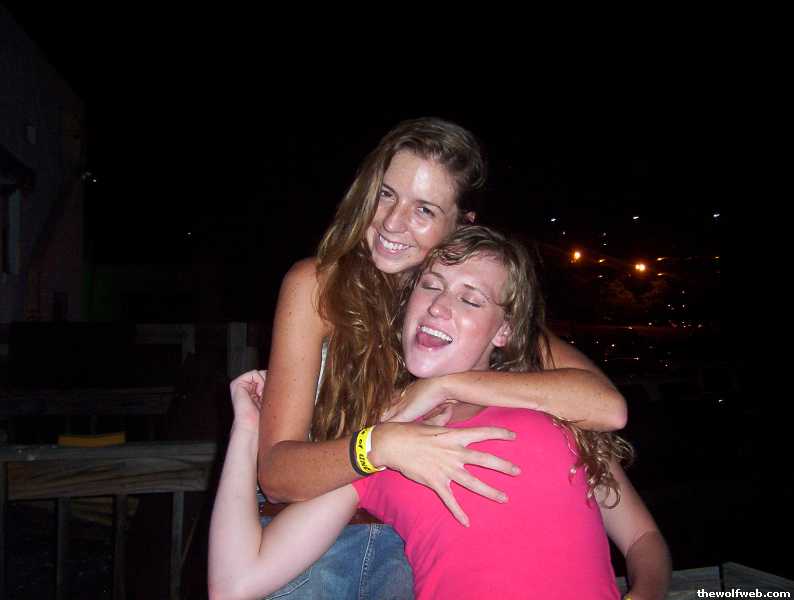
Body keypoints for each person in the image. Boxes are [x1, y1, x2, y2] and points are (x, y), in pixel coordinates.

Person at [254, 117, 629, 598]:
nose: (393, 222)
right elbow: (277, 474)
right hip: (315, 545)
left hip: (417, 546)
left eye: (424, 209)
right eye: (386, 194)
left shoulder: (466, 308)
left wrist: (444, 385)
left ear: (461, 225)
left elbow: (605, 406)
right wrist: (379, 445)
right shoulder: (318, 285)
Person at [208, 226, 671, 600]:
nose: (438, 306)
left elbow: (642, 538)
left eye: (471, 299)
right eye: (430, 286)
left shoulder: (554, 409)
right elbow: (236, 582)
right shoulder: (385, 443)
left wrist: (645, 592)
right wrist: (246, 431)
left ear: (505, 330)